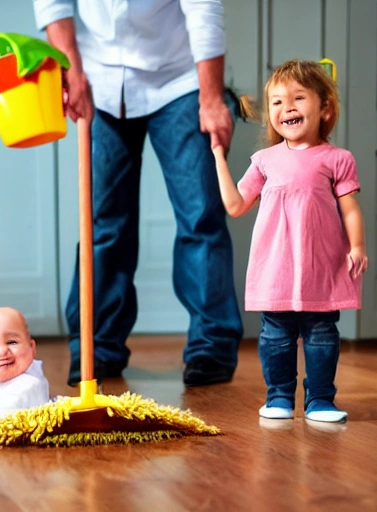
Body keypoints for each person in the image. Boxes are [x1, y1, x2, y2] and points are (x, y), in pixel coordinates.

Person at [32, 0, 243, 387]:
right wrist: (71, 71)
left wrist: (212, 98)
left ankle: (211, 347)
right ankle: (96, 349)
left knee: (201, 216)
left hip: (180, 79)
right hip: (98, 79)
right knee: (102, 223)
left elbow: (204, 9)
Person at [212, 59, 368, 422]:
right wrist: (219, 157)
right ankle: (280, 396)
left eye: (298, 98)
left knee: (322, 335)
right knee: (276, 337)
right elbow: (235, 206)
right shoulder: (264, 160)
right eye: (278, 102)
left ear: (325, 108)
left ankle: (321, 401)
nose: (287, 108)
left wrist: (357, 246)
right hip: (276, 268)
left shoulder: (337, 159)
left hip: (321, 266)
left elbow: (351, 210)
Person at [0, 307, 50, 420]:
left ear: (31, 348)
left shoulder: (27, 386)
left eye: (12, 342)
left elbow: (0, 427)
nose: (2, 351)